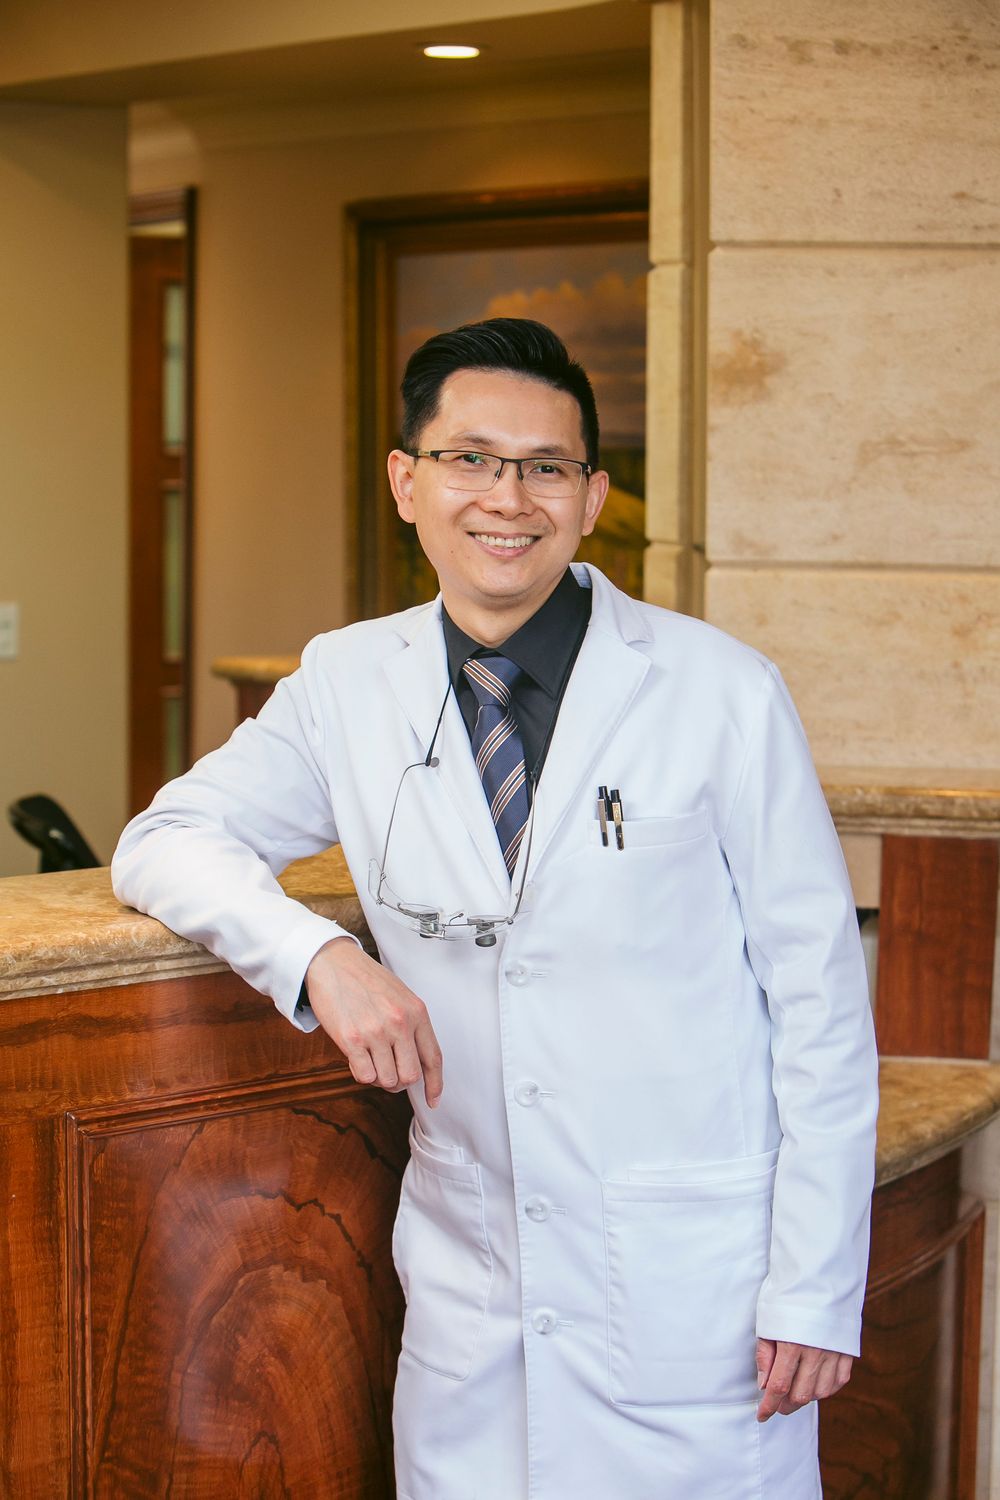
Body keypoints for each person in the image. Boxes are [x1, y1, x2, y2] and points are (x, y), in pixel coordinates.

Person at [112, 317, 878, 1499]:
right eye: (469, 459)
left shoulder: (719, 690)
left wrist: (815, 1285)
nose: (505, 498)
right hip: (478, 1291)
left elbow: (821, 1008)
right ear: (407, 483)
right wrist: (317, 954)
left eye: (544, 468)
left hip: (695, 1291)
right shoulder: (346, 682)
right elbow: (166, 839)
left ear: (590, 497)